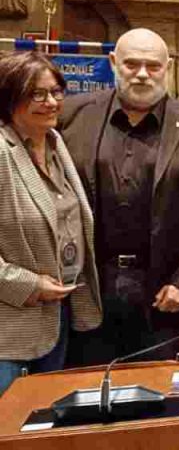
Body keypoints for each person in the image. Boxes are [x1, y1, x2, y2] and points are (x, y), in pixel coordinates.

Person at [59, 29, 179, 365]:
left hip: (162, 291)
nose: (142, 74)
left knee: (154, 397)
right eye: (132, 64)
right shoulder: (70, 117)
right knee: (85, 394)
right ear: (113, 63)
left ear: (168, 66)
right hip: (86, 286)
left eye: (153, 65)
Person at [0, 52, 101, 394]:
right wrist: (27, 285)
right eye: (37, 94)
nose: (51, 102)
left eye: (57, 92)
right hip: (9, 331)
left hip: (58, 321)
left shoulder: (58, 145)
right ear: (9, 97)